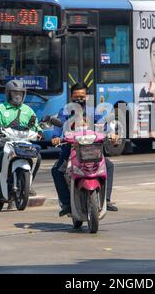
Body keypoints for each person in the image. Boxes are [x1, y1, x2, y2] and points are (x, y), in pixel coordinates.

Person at [51, 83, 119, 216]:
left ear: (87, 97)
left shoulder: (93, 111)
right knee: (57, 171)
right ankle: (66, 204)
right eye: (76, 97)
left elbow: (104, 124)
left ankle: (106, 199)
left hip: (92, 150)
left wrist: (112, 133)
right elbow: (59, 126)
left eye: (82, 96)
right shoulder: (65, 111)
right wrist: (55, 137)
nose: (79, 99)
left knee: (109, 166)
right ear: (71, 96)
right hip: (70, 150)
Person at [0, 80, 44, 195]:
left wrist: (40, 132)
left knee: (38, 157)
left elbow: (35, 124)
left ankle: (28, 184)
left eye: (20, 94)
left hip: (23, 140)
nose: (17, 96)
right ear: (8, 94)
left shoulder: (28, 110)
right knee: (2, 155)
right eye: (14, 93)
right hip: (4, 140)